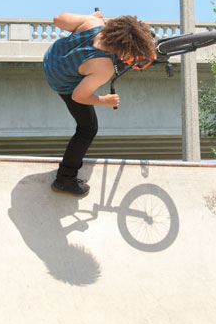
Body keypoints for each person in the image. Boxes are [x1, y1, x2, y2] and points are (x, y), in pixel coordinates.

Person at [43, 10, 156, 196]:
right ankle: (64, 179)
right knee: (88, 128)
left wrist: (87, 17)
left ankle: (65, 177)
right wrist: (104, 100)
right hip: (60, 80)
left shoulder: (93, 24)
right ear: (126, 48)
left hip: (51, 58)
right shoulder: (104, 67)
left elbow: (58, 19)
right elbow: (78, 97)